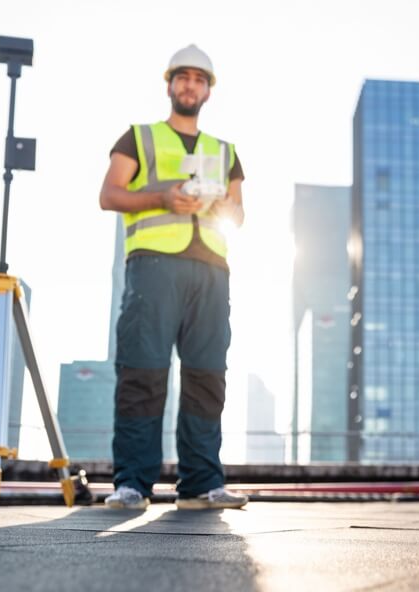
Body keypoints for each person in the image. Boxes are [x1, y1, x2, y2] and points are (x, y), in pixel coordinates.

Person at [97, 44, 247, 510]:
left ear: (208, 91)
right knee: (143, 371)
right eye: (183, 77)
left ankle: (201, 485)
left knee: (207, 376)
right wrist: (164, 196)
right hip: (154, 267)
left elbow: (239, 214)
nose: (190, 86)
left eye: (199, 80)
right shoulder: (138, 139)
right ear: (170, 85)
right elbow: (110, 195)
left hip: (211, 271)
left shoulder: (226, 152)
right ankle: (132, 484)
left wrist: (219, 204)